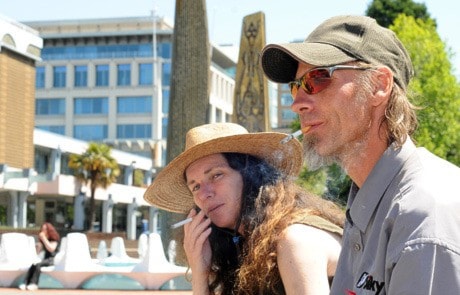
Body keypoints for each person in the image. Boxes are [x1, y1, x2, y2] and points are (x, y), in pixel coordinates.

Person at [260, 15, 460, 294]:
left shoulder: (421, 216)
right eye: (296, 85)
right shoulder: (370, 201)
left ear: (379, 84)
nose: (297, 103)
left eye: (317, 78)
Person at [144, 122, 345, 294]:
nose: (205, 194)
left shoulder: (295, 240)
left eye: (216, 175)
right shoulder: (246, 245)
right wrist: (199, 272)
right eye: (195, 186)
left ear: (250, 175)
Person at [19, 222, 60, 291]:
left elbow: (51, 249)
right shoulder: (43, 240)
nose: (43, 231)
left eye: (44, 230)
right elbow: (37, 252)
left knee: (38, 265)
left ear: (49, 231)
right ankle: (26, 283)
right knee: (34, 264)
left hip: (52, 260)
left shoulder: (54, 239)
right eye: (42, 230)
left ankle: (34, 284)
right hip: (45, 259)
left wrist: (44, 238)